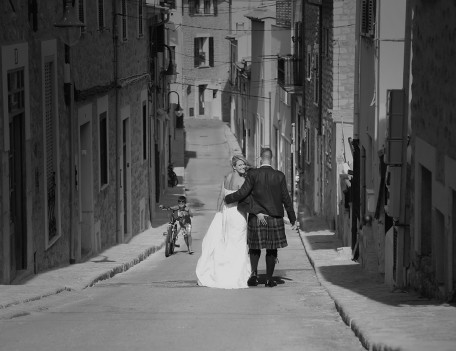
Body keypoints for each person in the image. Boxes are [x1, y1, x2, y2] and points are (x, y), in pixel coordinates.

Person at [224, 148, 297, 287]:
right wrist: (293, 218)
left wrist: (228, 198)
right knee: (272, 248)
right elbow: (286, 199)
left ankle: (253, 275)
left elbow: (243, 193)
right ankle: (269, 279)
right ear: (272, 158)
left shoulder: (253, 174)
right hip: (274, 217)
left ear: (260, 158)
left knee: (254, 247)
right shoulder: (279, 176)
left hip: (256, 217)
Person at [195, 155, 255, 289]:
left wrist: (219, 212)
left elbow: (221, 196)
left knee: (227, 241)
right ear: (234, 166)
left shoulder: (227, 178)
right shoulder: (242, 180)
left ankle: (223, 268)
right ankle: (236, 273)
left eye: (244, 164)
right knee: (238, 242)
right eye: (240, 165)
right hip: (237, 214)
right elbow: (246, 198)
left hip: (226, 213)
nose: (243, 167)